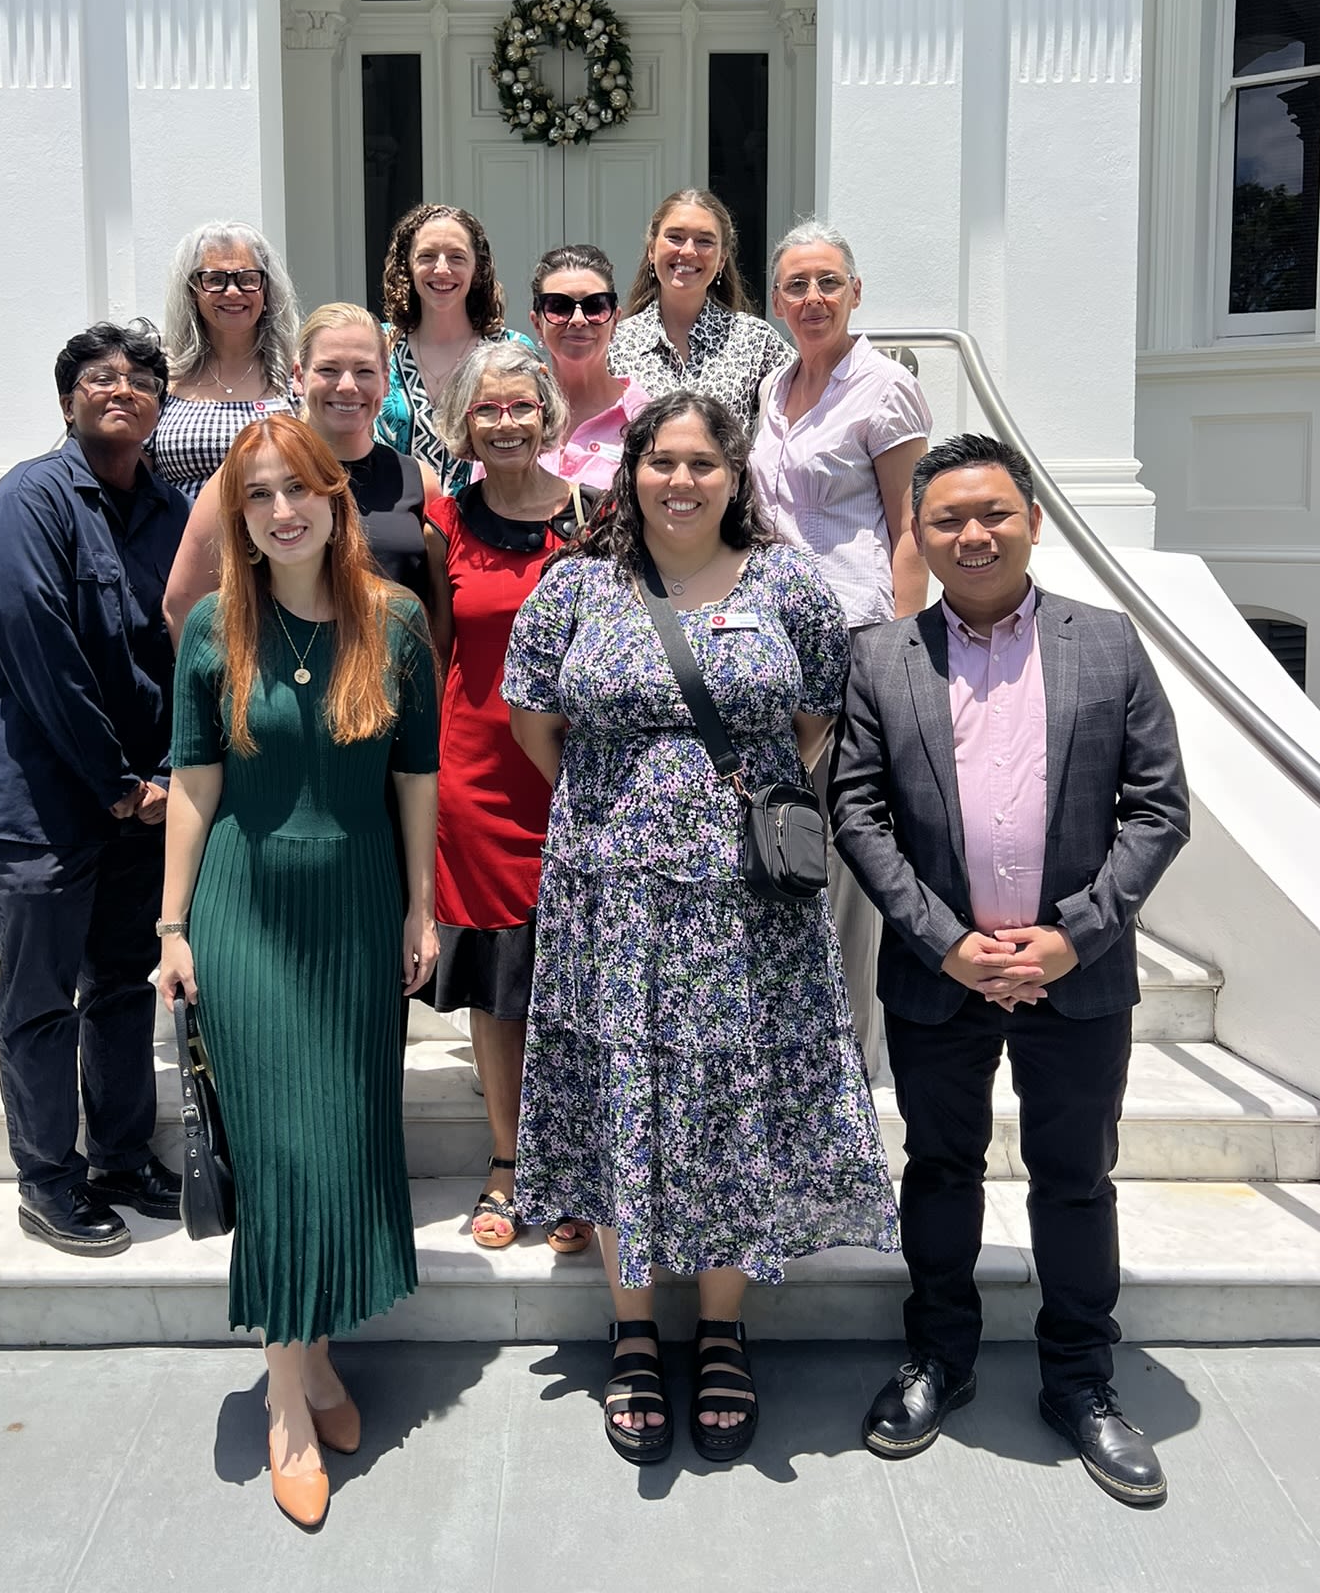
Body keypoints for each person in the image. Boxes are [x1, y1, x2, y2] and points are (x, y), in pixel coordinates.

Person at [504, 393, 897, 1466]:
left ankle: (721, 1329)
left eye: (702, 464)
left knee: (736, 1089)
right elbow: (535, 722)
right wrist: (624, 807)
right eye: (661, 461)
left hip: (748, 898)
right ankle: (633, 1329)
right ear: (630, 471)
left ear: (735, 477)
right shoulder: (574, 586)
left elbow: (815, 718)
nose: (680, 481)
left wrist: (723, 800)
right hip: (611, 893)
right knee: (621, 1084)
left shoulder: (788, 584)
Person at [830, 433, 1189, 1507]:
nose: (973, 534)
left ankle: (1080, 1379)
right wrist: (943, 938)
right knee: (940, 1169)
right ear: (920, 534)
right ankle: (938, 1357)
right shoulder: (881, 657)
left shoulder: (1108, 643)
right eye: (947, 519)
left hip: (1078, 973)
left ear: (1031, 519)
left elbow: (1158, 807)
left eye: (992, 513)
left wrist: (1074, 935)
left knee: (1075, 1177)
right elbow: (857, 810)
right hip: (938, 971)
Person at [157, 414, 438, 1531]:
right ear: (239, 515)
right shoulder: (214, 626)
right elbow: (193, 781)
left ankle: (317, 1357)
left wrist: (421, 905)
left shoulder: (396, 620)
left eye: (299, 489)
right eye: (259, 495)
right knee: (281, 1157)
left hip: (359, 908)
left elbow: (416, 773)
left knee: (343, 1142)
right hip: (246, 911)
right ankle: (287, 1402)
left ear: (334, 499)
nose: (282, 511)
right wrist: (173, 925)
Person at [0, 322, 191, 1256]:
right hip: (36, 809)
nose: (122, 389)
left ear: (160, 407)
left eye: (141, 380)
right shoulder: (30, 498)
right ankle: (49, 1179)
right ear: (67, 401)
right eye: (100, 377)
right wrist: (117, 779)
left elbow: (194, 647)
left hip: (142, 806)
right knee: (42, 1002)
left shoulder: (174, 512)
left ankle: (123, 1157)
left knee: (123, 986)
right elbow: (35, 642)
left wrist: (168, 775)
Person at [423, 340, 594, 1256]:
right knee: (499, 985)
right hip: (480, 780)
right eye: (485, 409)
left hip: (580, 778)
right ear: (463, 422)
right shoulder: (442, 522)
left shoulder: (598, 517)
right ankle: (508, 1159)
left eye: (520, 406)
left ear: (547, 415)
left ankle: (574, 1163)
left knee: (579, 976)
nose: (504, 422)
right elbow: (437, 652)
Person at [750, 225, 931, 1076]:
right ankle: (783, 1036)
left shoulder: (886, 387)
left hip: (855, 638)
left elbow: (910, 528)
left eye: (828, 282)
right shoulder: (773, 387)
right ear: (776, 300)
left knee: (847, 844)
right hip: (770, 641)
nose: (813, 298)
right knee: (783, 833)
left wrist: (901, 646)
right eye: (796, 285)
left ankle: (847, 1056)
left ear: (856, 292)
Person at [164, 303, 437, 640]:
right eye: (329, 369)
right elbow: (184, 600)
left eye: (364, 371)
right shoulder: (250, 471)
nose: (347, 385)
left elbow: (436, 612)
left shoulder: (419, 481)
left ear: (385, 379)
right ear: (298, 376)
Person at [375, 203, 534, 494]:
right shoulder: (379, 346)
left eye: (457, 257)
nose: (442, 269)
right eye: (427, 256)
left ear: (477, 268)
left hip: (487, 517)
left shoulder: (512, 349)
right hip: (392, 516)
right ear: (407, 265)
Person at [608, 188, 792, 431]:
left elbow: (814, 395)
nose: (688, 251)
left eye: (704, 241)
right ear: (651, 250)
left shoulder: (756, 342)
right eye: (675, 237)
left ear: (722, 259)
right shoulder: (615, 345)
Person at [150, 221, 298, 498]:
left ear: (267, 289)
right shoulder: (162, 377)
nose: (232, 291)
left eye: (248, 279)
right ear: (192, 291)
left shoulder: (295, 375)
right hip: (180, 526)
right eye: (216, 280)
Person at [529, 243, 650, 489]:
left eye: (594, 306)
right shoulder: (512, 414)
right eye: (559, 307)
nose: (578, 320)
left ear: (615, 321)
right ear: (537, 324)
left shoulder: (647, 420)